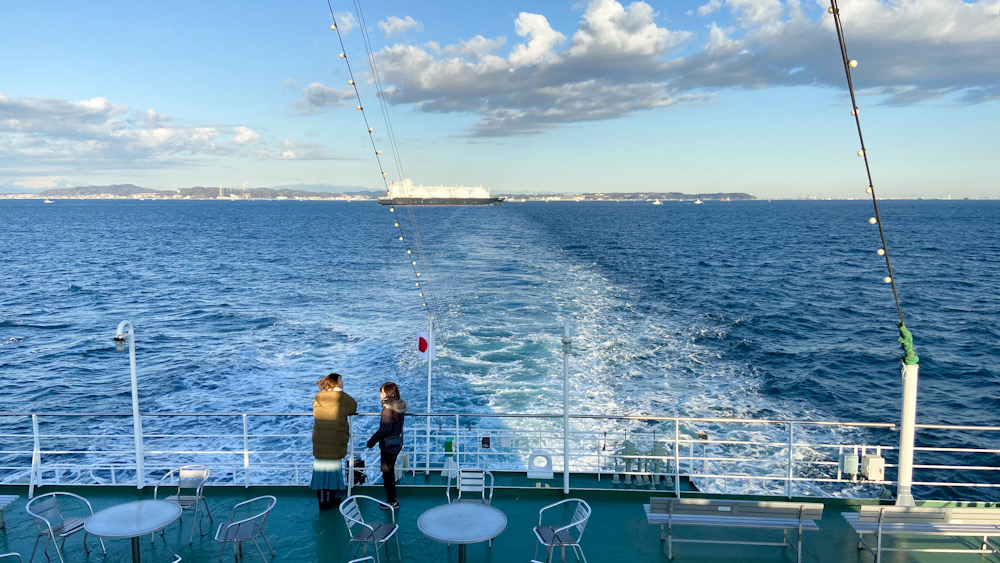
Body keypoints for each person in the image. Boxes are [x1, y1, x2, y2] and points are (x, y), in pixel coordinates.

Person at [310, 372, 357, 510]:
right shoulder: (341, 396)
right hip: (335, 441)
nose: (343, 383)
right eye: (341, 381)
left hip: (320, 441)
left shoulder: (318, 396)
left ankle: (321, 502)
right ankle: (329, 501)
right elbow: (353, 406)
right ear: (335, 384)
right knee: (332, 473)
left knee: (320, 473)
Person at [366, 381, 407, 509]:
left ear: (388, 394)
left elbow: (385, 429)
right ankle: (392, 499)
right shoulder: (399, 406)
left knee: (386, 472)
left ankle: (392, 501)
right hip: (397, 442)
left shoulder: (388, 409)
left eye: (382, 392)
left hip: (388, 445)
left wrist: (371, 441)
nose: (380, 395)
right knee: (390, 471)